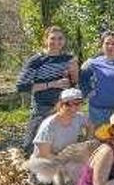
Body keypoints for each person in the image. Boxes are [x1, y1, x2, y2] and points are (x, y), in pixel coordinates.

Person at [17, 26, 78, 154]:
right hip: (42, 107)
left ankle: (54, 171)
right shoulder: (36, 60)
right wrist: (52, 84)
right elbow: (22, 86)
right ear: (45, 40)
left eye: (60, 38)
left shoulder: (68, 59)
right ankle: (33, 171)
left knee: (59, 144)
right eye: (52, 38)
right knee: (31, 144)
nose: (56, 42)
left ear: (65, 40)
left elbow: (74, 83)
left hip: (64, 107)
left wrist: (74, 73)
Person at [26, 89, 94, 185]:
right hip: (46, 161)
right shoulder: (49, 125)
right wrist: (65, 161)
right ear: (61, 104)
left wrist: (86, 140)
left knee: (88, 166)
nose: (73, 108)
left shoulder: (79, 117)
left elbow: (90, 125)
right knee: (76, 169)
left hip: (65, 156)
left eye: (77, 104)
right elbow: (43, 154)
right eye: (68, 104)